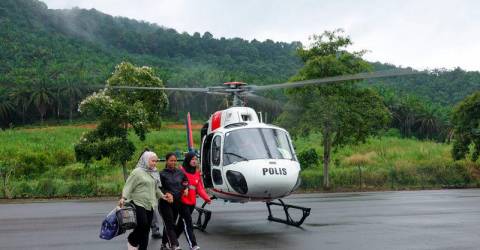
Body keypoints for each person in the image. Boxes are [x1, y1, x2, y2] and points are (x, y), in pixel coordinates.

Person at [118, 151, 172, 250]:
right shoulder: (137, 172)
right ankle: (132, 239)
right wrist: (123, 198)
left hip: (150, 204)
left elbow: (155, 188)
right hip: (137, 202)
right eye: (152, 161)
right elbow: (128, 186)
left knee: (146, 229)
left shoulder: (154, 172)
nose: (154, 163)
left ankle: (143, 248)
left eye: (156, 161)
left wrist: (163, 196)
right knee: (143, 224)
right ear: (146, 160)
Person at [175, 152, 212, 250]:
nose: (194, 161)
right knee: (188, 222)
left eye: (196, 159)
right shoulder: (181, 171)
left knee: (180, 225)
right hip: (182, 202)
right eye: (192, 159)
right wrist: (183, 189)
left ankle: (172, 241)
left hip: (191, 203)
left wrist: (206, 198)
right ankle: (193, 245)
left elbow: (199, 188)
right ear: (187, 160)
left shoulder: (196, 172)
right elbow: (176, 185)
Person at [159, 153, 188, 250]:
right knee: (170, 224)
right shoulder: (161, 174)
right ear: (166, 161)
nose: (173, 162)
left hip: (177, 202)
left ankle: (163, 245)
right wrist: (167, 193)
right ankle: (174, 245)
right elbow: (159, 188)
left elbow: (185, 181)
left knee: (170, 224)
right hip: (165, 203)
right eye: (171, 160)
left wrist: (186, 188)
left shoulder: (180, 172)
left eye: (175, 160)